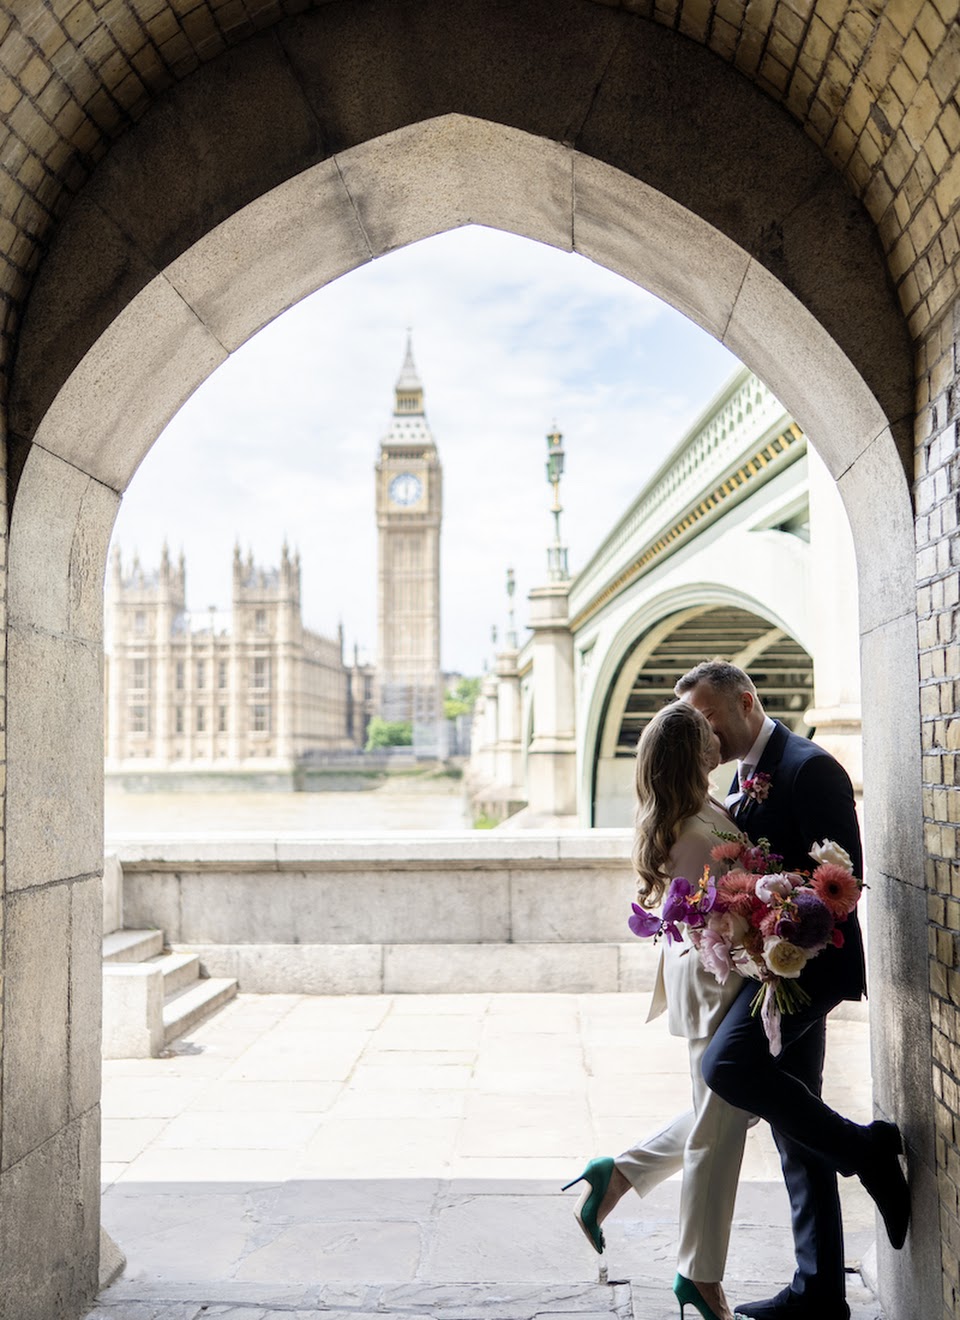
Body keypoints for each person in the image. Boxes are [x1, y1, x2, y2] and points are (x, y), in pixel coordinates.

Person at [676, 660, 910, 1320]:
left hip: (814, 968)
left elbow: (843, 881)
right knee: (791, 1119)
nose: (704, 731)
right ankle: (818, 1292)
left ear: (746, 701)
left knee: (725, 1064)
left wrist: (777, 922)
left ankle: (867, 1150)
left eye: (709, 717)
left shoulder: (810, 768)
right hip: (776, 969)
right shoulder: (743, 777)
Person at [564, 700, 754, 1320]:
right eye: (706, 735)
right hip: (715, 978)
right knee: (720, 1129)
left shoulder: (706, 809)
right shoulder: (693, 830)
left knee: (728, 1116)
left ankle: (614, 1175)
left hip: (726, 974)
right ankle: (699, 1276)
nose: (716, 738)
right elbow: (713, 921)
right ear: (693, 752)